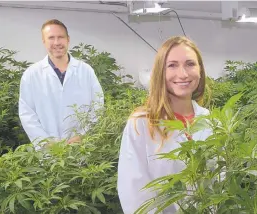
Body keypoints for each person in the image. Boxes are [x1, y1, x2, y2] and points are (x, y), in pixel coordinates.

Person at [117, 36, 212, 214]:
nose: (183, 74)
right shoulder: (142, 123)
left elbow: (220, 183)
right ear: (161, 71)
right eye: (172, 65)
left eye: (190, 64)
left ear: (200, 70)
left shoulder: (210, 121)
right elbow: (134, 192)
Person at [18, 19, 104, 149]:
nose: (57, 42)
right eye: (51, 38)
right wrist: (46, 142)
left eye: (61, 37)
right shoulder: (31, 75)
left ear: (68, 39)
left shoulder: (86, 71)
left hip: (83, 149)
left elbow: (97, 106)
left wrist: (83, 135)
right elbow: (27, 114)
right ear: (44, 41)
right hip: (48, 152)